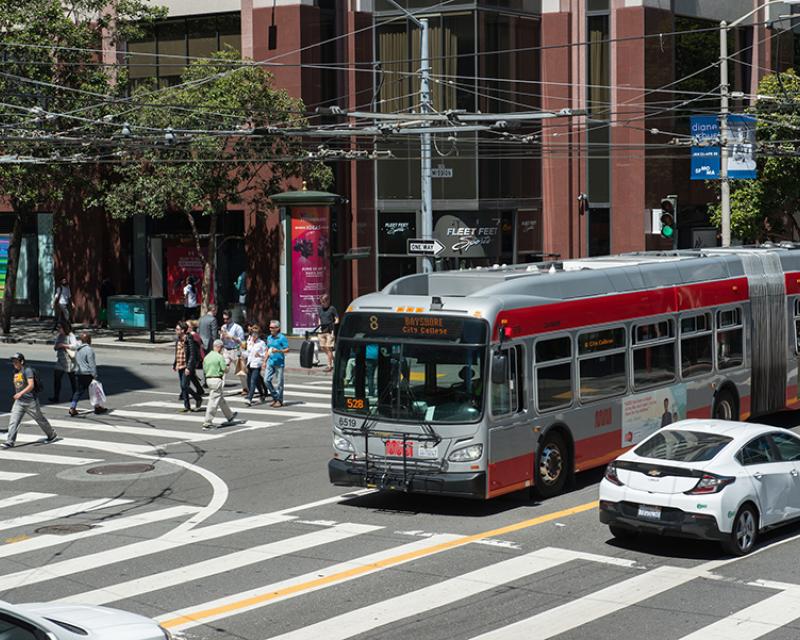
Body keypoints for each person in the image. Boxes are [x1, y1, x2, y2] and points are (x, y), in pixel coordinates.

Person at [4, 353, 59, 448]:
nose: (14, 363)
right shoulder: (16, 372)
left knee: (40, 419)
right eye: (13, 361)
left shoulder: (27, 370)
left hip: (30, 402)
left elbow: (31, 385)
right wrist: (19, 394)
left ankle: (52, 435)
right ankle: (10, 441)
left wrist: (20, 393)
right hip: (19, 402)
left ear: (21, 361)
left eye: (16, 361)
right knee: (13, 421)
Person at [201, 340, 240, 430]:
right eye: (222, 348)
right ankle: (207, 422)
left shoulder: (207, 357)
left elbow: (204, 368)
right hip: (217, 379)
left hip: (209, 379)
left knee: (220, 399)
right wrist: (227, 365)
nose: (222, 350)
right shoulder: (219, 357)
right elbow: (225, 370)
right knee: (213, 402)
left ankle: (229, 416)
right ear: (219, 347)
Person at [69, 333, 107, 416]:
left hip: (78, 372)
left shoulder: (78, 349)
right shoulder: (89, 350)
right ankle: (97, 408)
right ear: (89, 340)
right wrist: (94, 374)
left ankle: (72, 407)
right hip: (87, 373)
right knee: (94, 391)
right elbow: (92, 363)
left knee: (78, 391)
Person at [49, 322, 78, 403]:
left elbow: (75, 346)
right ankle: (56, 397)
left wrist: (64, 345)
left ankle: (75, 396)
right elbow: (55, 347)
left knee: (72, 379)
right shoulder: (59, 336)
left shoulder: (70, 335)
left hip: (69, 360)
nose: (59, 330)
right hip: (60, 360)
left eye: (60, 328)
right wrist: (57, 346)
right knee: (57, 379)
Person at [264, 320, 289, 408]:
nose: (270, 329)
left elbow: (287, 350)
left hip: (279, 363)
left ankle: (279, 400)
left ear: (278, 328)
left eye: (272, 327)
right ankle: (275, 396)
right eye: (270, 327)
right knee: (266, 380)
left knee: (279, 383)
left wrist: (278, 351)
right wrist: (264, 361)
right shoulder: (269, 338)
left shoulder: (282, 338)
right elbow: (267, 349)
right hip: (270, 362)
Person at [220, 309, 246, 393]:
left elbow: (242, 341)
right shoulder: (223, 327)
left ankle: (245, 388)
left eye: (227, 319)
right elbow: (221, 339)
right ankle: (219, 389)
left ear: (231, 318)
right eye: (224, 319)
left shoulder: (237, 327)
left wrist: (231, 337)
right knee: (223, 370)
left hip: (235, 350)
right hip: (226, 350)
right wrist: (222, 337)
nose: (225, 321)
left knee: (240, 371)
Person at [244, 324, 268, 406]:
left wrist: (260, 356)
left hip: (257, 364)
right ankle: (263, 392)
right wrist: (242, 355)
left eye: (255, 334)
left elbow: (266, 354)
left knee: (253, 381)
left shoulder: (261, 343)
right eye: (253, 334)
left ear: (258, 335)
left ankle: (249, 398)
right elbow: (248, 352)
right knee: (257, 380)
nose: (254, 335)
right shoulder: (250, 342)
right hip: (250, 363)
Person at [316, 294, 338, 373]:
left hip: (329, 331)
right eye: (321, 302)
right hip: (322, 331)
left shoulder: (332, 309)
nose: (323, 303)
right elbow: (319, 318)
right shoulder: (320, 309)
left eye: (324, 302)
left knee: (329, 348)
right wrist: (318, 327)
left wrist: (334, 323)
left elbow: (337, 319)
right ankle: (333, 359)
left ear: (328, 301)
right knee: (322, 347)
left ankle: (330, 365)